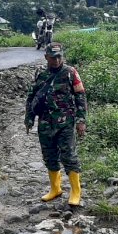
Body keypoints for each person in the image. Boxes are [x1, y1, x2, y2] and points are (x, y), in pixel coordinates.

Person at [25, 42, 87, 206]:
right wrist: (29, 118)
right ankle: (55, 189)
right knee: (49, 156)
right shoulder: (41, 73)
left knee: (69, 156)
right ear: (46, 57)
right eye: (53, 57)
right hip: (45, 122)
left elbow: (80, 97)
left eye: (59, 56)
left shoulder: (70, 72)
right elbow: (32, 97)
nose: (57, 60)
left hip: (65, 122)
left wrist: (81, 121)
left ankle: (75, 191)